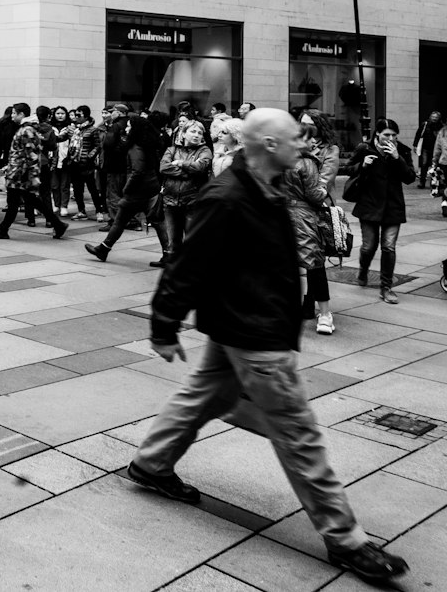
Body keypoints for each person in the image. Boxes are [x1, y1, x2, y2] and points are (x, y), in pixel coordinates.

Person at [127, 108, 408, 587]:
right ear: (271, 146)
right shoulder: (227, 195)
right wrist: (163, 323)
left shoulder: (265, 182)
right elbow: (188, 263)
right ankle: (345, 538)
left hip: (246, 322)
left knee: (203, 395)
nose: (304, 143)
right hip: (252, 330)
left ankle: (151, 464)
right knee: (299, 433)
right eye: (295, 138)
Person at [346, 119, 415, 303]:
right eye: (386, 135)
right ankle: (363, 269)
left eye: (394, 135)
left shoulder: (402, 150)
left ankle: (386, 288)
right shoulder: (364, 148)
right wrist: (363, 165)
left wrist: (396, 158)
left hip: (393, 207)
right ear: (377, 134)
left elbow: (410, 177)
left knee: (388, 247)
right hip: (369, 205)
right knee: (369, 246)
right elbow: (347, 168)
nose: (390, 138)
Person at [85, 114, 169, 263]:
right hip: (150, 188)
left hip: (138, 191)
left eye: (129, 126)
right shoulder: (148, 144)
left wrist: (127, 189)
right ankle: (168, 254)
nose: (126, 128)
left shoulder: (136, 147)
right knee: (157, 222)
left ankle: (103, 249)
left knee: (120, 220)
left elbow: (137, 171)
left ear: (136, 129)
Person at [0, 102, 68, 241]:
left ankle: (3, 230)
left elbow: (32, 155)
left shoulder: (26, 130)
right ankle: (57, 224)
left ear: (22, 114)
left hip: (19, 174)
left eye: (14, 113)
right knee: (26, 201)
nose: (12, 116)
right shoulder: (27, 128)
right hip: (19, 173)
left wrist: (32, 176)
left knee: (16, 202)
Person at [286, 128, 335, 335]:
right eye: (309, 138)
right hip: (303, 217)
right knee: (315, 264)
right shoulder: (307, 162)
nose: (313, 141)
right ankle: (324, 314)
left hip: (281, 214)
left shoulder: (278, 160)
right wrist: (323, 190)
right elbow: (315, 195)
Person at [159, 118, 212, 258]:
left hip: (192, 201)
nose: (196, 135)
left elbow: (200, 167)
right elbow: (163, 167)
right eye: (193, 131)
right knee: (173, 242)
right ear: (183, 133)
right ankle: (172, 270)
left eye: (200, 133)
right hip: (170, 201)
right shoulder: (172, 149)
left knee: (193, 240)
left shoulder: (204, 150)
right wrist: (186, 172)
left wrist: (180, 163)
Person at [413, 110, 443, 188]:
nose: (434, 118)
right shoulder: (425, 124)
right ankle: (422, 182)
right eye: (433, 117)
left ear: (439, 118)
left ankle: (434, 183)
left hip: (436, 149)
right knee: (424, 164)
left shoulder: (441, 126)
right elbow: (418, 134)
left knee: (435, 166)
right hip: (425, 148)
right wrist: (415, 145)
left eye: (436, 117)